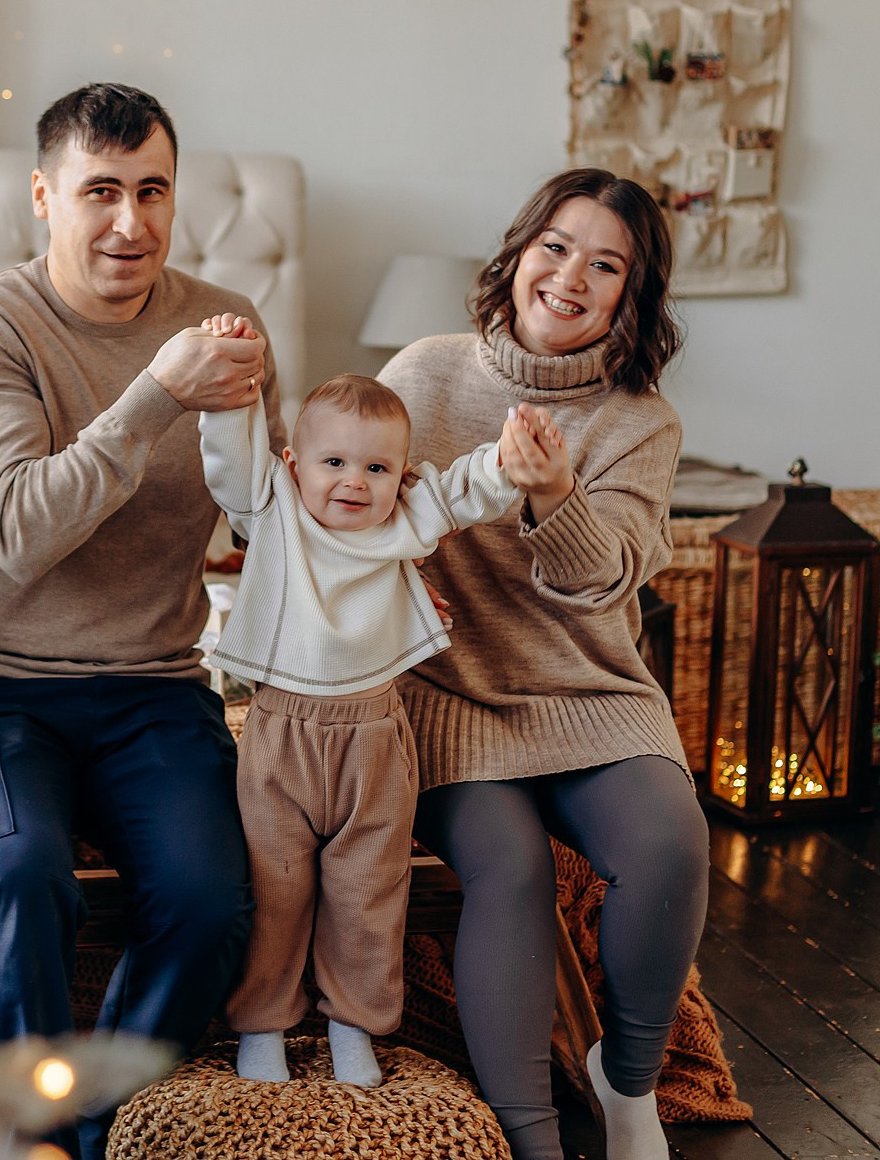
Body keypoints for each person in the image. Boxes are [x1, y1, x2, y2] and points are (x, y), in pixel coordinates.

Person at [0, 83, 283, 1160]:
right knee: (19, 871)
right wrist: (157, 393)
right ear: (43, 195)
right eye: (101, 192)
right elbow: (22, 530)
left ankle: (93, 1126)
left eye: (153, 191)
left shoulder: (226, 323)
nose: (132, 221)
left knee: (213, 902)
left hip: (155, 685)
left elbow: (263, 510)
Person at [378, 167, 704, 1160]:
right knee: (511, 868)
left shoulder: (641, 420)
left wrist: (556, 494)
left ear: (631, 295)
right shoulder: (424, 374)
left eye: (606, 266)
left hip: (591, 691)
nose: (569, 277)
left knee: (671, 845)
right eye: (555, 247)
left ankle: (628, 1082)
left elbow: (603, 582)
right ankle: (532, 1141)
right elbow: (347, 517)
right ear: (519, 253)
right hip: (451, 692)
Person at [193, 321, 531, 1088]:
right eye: (334, 462)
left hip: (375, 735)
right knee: (275, 885)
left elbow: (464, 489)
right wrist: (236, 390)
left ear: (401, 476)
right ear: (294, 465)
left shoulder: (404, 518)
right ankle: (264, 1024)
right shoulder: (272, 507)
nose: (354, 481)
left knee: (369, 890)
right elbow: (233, 462)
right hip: (281, 733)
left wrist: (508, 459)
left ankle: (354, 1024)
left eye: (377, 467)